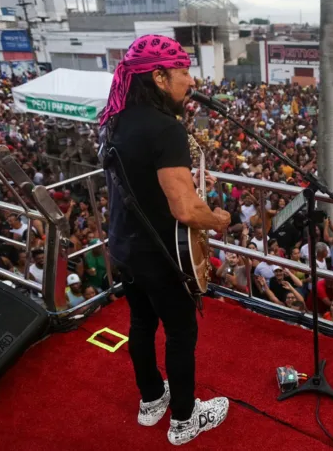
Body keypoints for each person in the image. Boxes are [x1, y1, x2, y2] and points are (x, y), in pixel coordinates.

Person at [101, 35, 231, 445]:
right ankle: (184, 419)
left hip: (125, 245)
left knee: (141, 323)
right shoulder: (165, 129)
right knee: (180, 333)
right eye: (184, 72)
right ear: (158, 76)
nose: (191, 81)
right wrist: (218, 219)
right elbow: (185, 210)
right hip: (159, 254)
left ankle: (151, 400)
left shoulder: (116, 117)